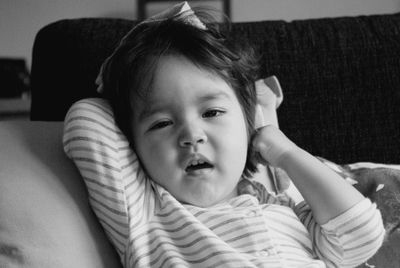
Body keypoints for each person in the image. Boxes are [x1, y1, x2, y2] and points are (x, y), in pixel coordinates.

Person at [63, 2, 384, 267]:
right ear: (133, 146)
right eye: (161, 123)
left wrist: (284, 151)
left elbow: (361, 236)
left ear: (248, 125)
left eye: (212, 113)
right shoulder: (146, 216)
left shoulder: (288, 209)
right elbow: (84, 120)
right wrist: (120, 70)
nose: (191, 135)